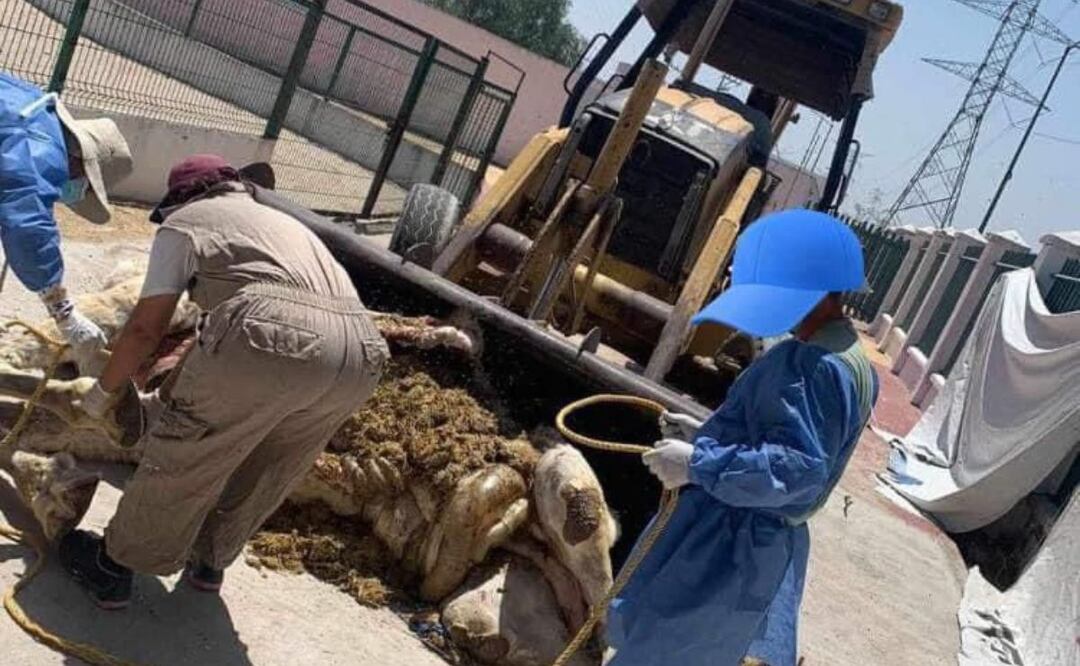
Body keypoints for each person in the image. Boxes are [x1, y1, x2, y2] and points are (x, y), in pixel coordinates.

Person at [59, 154, 390, 609]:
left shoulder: (185, 224)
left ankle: (112, 566)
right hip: (362, 352)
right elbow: (241, 342)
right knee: (274, 461)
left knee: (190, 446)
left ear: (180, 200)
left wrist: (102, 393)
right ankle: (209, 562)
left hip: (276, 332)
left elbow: (144, 329)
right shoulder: (281, 224)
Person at [607, 209, 877, 666]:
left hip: (729, 546)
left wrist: (701, 464)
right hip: (750, 540)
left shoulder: (814, 366)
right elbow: (796, 439)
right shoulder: (851, 360)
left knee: (663, 653)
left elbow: (795, 470)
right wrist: (707, 436)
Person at [0, 73, 132, 368]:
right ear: (81, 160)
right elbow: (27, 226)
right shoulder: (43, 145)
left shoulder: (27, 103)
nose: (70, 193)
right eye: (83, 185)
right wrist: (65, 314)